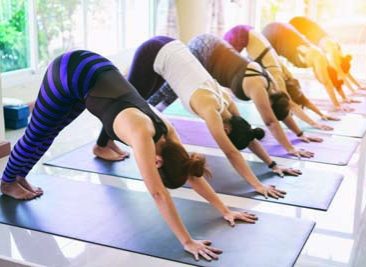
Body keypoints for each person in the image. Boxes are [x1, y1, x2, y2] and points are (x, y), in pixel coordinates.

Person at [0, 50, 257, 261]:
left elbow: (190, 170)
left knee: (50, 131)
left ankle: (19, 175)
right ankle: (8, 180)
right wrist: (187, 241)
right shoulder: (142, 134)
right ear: (158, 162)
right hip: (71, 70)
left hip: (93, 73)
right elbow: (158, 193)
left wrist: (225, 210)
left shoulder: (169, 133)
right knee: (38, 132)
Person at [95, 36, 296, 199]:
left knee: (143, 100)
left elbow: (248, 134)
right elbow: (232, 153)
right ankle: (101, 146)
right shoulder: (211, 112)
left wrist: (272, 164)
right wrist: (257, 185)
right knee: (125, 100)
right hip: (154, 52)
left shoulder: (227, 101)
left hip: (172, 47)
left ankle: (109, 142)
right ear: (226, 130)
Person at [184, 33, 321, 157]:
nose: (267, 109)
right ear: (270, 104)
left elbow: (284, 110)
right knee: (169, 93)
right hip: (205, 50)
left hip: (213, 45)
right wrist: (290, 148)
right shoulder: (258, 87)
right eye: (270, 109)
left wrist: (300, 134)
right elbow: (270, 121)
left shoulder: (273, 87)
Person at [224, 25, 339, 129]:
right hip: (243, 34)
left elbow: (304, 100)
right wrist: (314, 123)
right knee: (227, 62)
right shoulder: (277, 78)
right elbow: (291, 104)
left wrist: (322, 115)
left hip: (250, 32)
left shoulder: (287, 74)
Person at [262, 22, 357, 111]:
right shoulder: (319, 57)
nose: (321, 79)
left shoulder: (318, 59)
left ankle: (280, 102)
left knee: (274, 74)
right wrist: (337, 105)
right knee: (273, 74)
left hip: (278, 33)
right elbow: (327, 83)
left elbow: (331, 82)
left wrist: (344, 98)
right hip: (275, 33)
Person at [289, 16, 366, 93]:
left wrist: (359, 87)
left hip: (314, 34)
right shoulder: (336, 53)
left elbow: (345, 73)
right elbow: (342, 75)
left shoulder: (339, 54)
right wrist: (354, 90)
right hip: (312, 33)